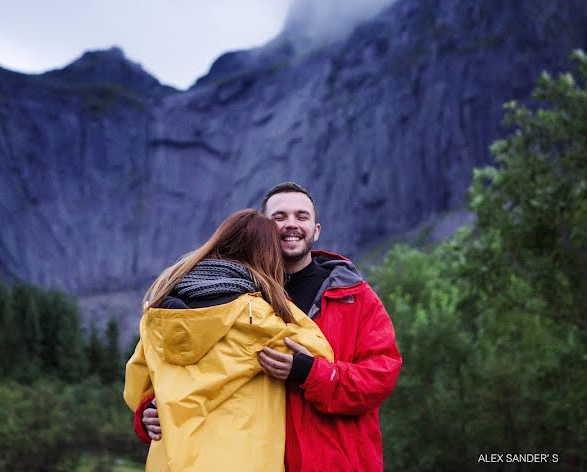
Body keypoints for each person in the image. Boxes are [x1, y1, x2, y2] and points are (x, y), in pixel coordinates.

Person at [136, 183, 402, 472]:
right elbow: (173, 365)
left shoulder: (354, 296)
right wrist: (150, 411)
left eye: (302, 216)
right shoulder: (234, 296)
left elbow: (382, 374)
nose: (291, 224)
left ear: (316, 230)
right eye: (279, 217)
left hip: (335, 463)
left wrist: (310, 373)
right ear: (263, 229)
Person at [123, 209, 334, 471]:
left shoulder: (160, 314)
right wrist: (279, 297)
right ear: (266, 256)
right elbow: (320, 351)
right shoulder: (255, 317)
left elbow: (136, 390)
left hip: (169, 460)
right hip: (240, 459)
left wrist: (148, 410)